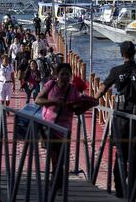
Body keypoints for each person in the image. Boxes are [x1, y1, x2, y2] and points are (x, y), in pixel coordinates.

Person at [93, 41, 136, 199]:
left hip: (120, 116)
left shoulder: (116, 71)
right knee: (135, 153)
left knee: (120, 153)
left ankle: (120, 189)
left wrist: (92, 101)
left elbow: (101, 90)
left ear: (122, 54)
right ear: (135, 53)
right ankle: (134, 189)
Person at [35, 63, 97, 193]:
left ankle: (56, 183)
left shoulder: (73, 89)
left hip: (65, 128)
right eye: (62, 74)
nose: (64, 77)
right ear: (57, 75)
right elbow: (38, 100)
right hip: (49, 126)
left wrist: (87, 104)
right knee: (54, 157)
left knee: (62, 159)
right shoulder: (51, 85)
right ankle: (56, 184)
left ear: (70, 76)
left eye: (67, 74)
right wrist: (54, 102)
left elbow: (77, 111)